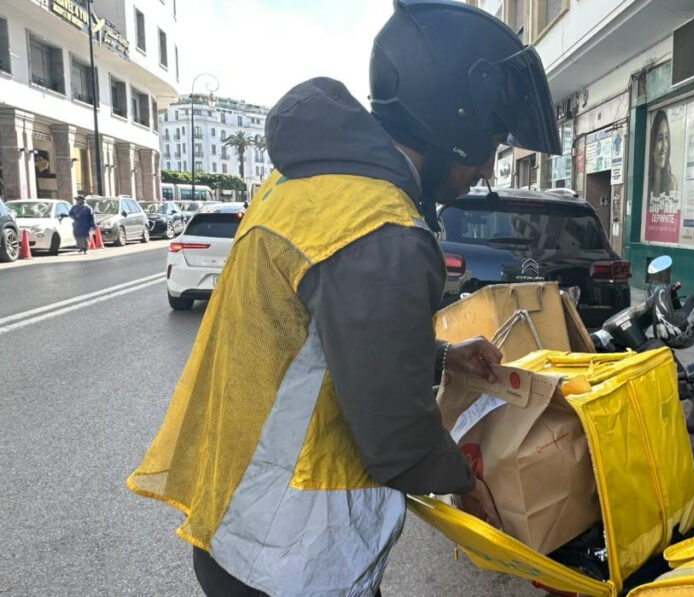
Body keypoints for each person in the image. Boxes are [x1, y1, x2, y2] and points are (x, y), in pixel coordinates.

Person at [126, 2, 561, 597]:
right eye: (489, 143)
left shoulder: (306, 183)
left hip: (237, 521)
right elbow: (397, 437)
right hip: (292, 558)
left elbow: (318, 342)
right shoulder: (380, 228)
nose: (487, 169)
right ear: (451, 121)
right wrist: (466, 480)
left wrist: (440, 357)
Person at [648, 110, 678, 199]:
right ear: (652, 143)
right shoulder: (646, 183)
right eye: (660, 139)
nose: (664, 146)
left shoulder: (672, 183)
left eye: (667, 137)